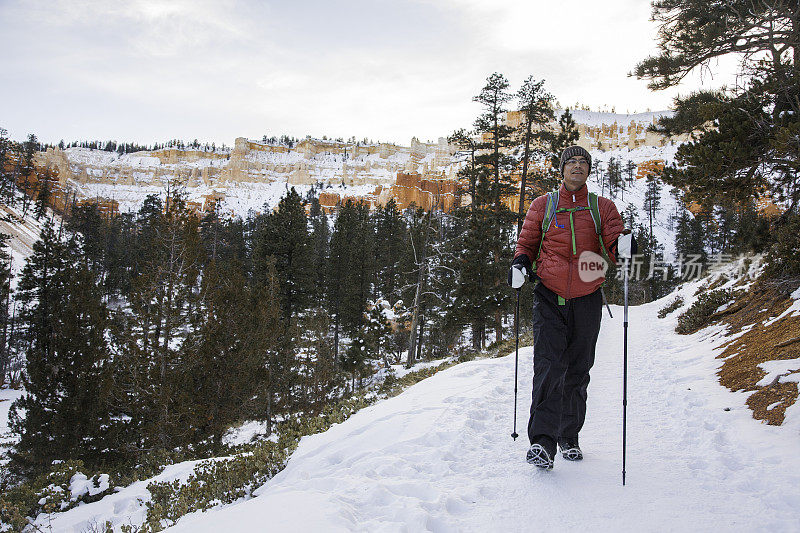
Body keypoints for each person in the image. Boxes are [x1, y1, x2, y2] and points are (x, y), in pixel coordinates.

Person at [507, 145, 634, 469]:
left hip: (588, 298)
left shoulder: (601, 207)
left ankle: (569, 436)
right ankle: (543, 444)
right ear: (561, 169)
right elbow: (527, 243)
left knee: (577, 371)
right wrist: (521, 263)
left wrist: (624, 248)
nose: (577, 167)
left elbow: (614, 242)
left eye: (583, 163)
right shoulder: (543, 205)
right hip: (549, 296)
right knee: (549, 368)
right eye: (571, 162)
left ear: (589, 171)